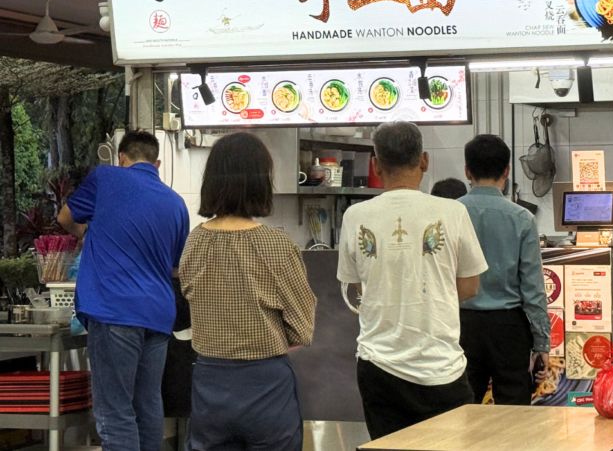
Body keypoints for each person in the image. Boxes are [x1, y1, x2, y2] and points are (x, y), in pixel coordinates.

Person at [337, 121, 488, 439]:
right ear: (424, 160)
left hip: (379, 367)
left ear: (376, 165)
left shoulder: (355, 216)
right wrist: (435, 292)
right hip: (441, 367)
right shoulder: (453, 212)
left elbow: (357, 285)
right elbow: (470, 286)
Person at [180, 132, 316, 451]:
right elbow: (302, 328)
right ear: (261, 182)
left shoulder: (195, 242)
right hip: (267, 386)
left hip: (210, 383)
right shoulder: (277, 245)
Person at [57, 130, 189, 451]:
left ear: (122, 158)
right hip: (158, 316)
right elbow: (176, 268)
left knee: (114, 411)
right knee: (147, 405)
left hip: (113, 308)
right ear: (157, 163)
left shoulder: (106, 178)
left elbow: (65, 217)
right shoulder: (176, 203)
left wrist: (85, 231)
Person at [458, 135, 550, 405]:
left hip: (461, 325)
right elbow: (533, 288)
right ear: (507, 171)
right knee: (513, 414)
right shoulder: (522, 218)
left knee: (462, 410)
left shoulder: (451, 213)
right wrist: (542, 343)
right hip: (509, 327)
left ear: (467, 171)